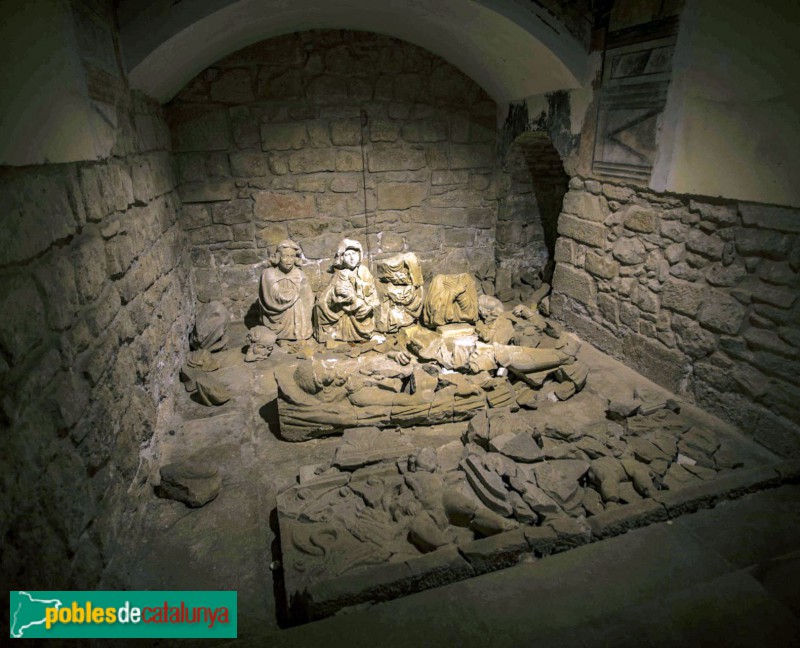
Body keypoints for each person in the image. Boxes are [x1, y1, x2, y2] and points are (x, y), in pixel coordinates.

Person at [314, 238, 379, 343]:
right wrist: (334, 293)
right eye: (347, 255)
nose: (352, 258)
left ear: (359, 255)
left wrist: (358, 300)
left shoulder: (364, 271)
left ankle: (361, 334)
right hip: (343, 313)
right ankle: (339, 333)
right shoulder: (339, 273)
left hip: (360, 311)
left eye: (354, 254)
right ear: (341, 257)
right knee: (320, 306)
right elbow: (327, 294)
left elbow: (372, 295)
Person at [258, 239, 313, 341]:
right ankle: (282, 333)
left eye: (292, 256)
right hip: (276, 317)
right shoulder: (268, 273)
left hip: (298, 318)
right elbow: (273, 297)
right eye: (285, 256)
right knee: (297, 302)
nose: (289, 261)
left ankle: (298, 330)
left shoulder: (299, 274)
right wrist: (294, 295)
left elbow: (308, 299)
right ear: (278, 257)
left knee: (299, 303)